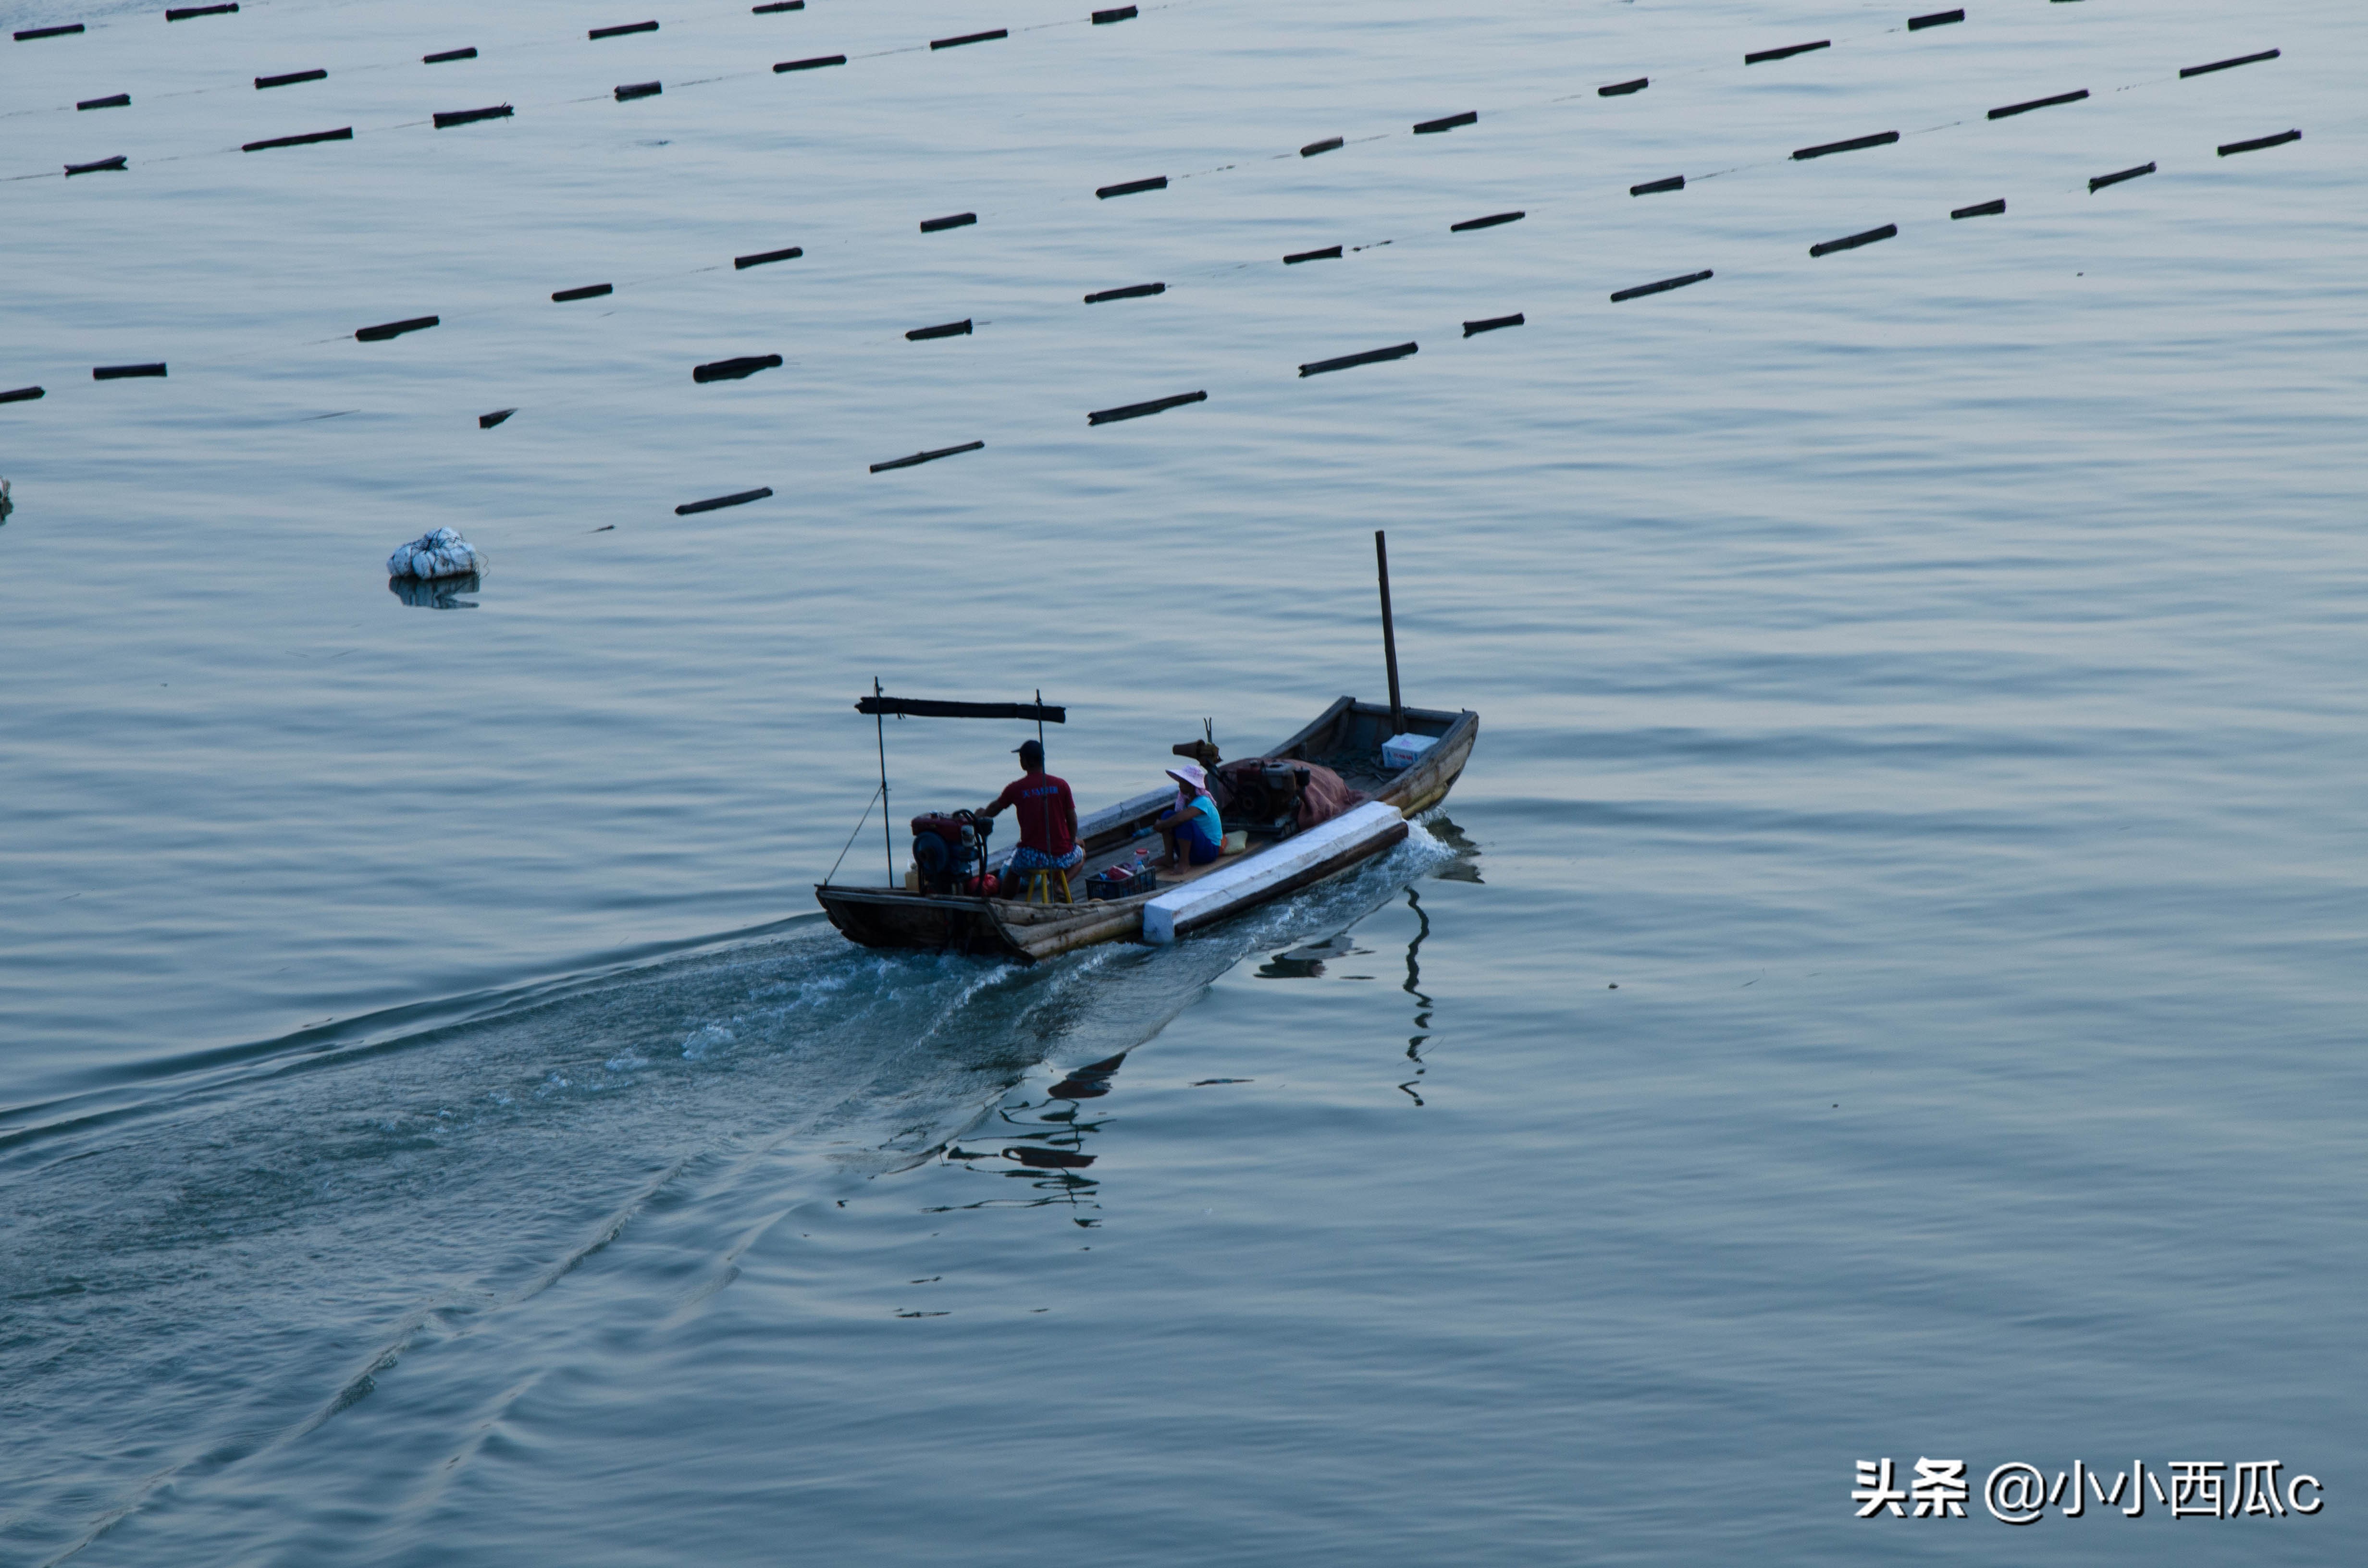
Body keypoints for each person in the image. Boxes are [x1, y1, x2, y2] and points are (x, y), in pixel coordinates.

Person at [981, 739, 1082, 894]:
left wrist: (980, 816)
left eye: (1021, 758)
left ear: (1026, 762)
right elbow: (1073, 820)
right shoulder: (1062, 785)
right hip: (1061, 855)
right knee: (1081, 854)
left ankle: (1005, 903)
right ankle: (1061, 886)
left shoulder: (1016, 788)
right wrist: (1070, 842)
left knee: (1014, 871)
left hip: (1031, 858)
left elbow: (995, 808)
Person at [1155, 761, 1225, 869]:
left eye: (1183, 782)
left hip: (1209, 851)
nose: (1179, 785)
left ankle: (1185, 863)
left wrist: (1162, 825)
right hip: (1196, 848)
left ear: (1192, 785)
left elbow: (1182, 818)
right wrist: (1164, 823)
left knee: (1185, 823)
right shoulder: (1186, 801)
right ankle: (1169, 859)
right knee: (1168, 815)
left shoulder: (1203, 801)